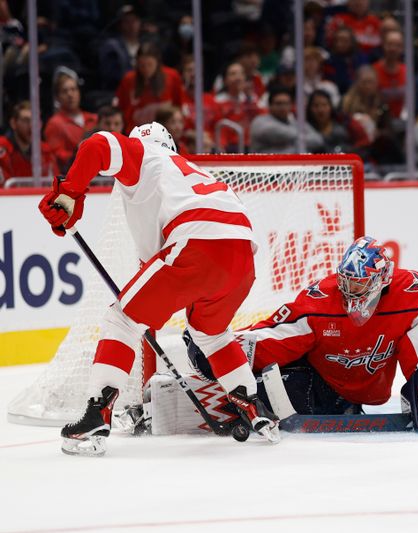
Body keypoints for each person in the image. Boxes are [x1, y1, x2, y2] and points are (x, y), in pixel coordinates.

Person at [37, 122, 280, 456]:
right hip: (243, 255)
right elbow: (158, 268)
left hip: (196, 242)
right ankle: (255, 408)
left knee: (121, 321)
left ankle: (96, 413)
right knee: (210, 332)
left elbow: (97, 145)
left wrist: (69, 193)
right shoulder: (185, 173)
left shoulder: (143, 154)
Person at [179, 236, 418, 433]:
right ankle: (223, 397)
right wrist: (219, 346)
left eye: (359, 285)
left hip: (365, 392)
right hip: (318, 384)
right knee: (291, 385)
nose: (349, 293)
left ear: (382, 280)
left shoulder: (414, 294)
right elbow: (276, 337)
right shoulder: (320, 301)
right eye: (345, 282)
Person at [115, 43, 186, 133]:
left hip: (164, 132)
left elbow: (178, 106)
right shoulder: (129, 79)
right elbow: (122, 109)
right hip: (135, 132)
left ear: (157, 62)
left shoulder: (172, 76)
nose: (146, 69)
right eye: (142, 65)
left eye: (150, 64)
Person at [44, 72, 98, 173]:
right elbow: (57, 156)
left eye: (73, 89)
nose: (70, 94)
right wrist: (79, 152)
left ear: (79, 92)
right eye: (65, 91)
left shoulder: (93, 118)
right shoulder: (55, 124)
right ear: (57, 97)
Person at [250, 88, 324, 153]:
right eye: (278, 104)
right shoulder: (260, 121)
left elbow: (317, 140)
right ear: (270, 105)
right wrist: (299, 140)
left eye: (286, 103)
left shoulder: (295, 122)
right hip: (265, 166)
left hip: (294, 167)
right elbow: (273, 131)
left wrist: (295, 141)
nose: (283, 107)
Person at [0, 101, 57, 185]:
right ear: (13, 123)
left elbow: (56, 185)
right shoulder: (2, 148)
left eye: (35, 121)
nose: (31, 125)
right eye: (26, 120)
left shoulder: (46, 151)